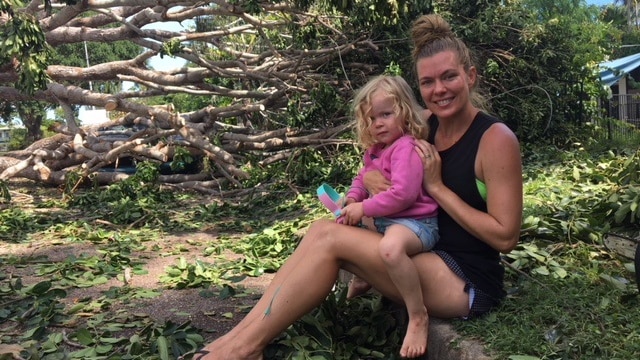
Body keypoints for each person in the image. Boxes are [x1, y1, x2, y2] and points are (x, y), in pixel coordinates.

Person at [196, 13, 522, 360]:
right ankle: (236, 339)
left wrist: (438, 187)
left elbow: (505, 237)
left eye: (449, 77)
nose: (439, 90)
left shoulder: (495, 139)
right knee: (321, 230)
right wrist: (366, 179)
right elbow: (378, 159)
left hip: (465, 280)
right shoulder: (424, 123)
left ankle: (245, 348)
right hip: (422, 253)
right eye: (428, 82)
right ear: (418, 90)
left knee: (330, 239)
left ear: (470, 76)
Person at [338, 75, 439, 358]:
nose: (377, 123)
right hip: (388, 221)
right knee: (346, 229)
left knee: (390, 249)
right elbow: (362, 179)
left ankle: (418, 314)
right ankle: (363, 278)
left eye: (385, 114)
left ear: (405, 113)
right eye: (371, 118)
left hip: (416, 224)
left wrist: (364, 209)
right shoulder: (375, 151)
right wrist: (352, 199)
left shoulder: (405, 147)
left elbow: (403, 195)